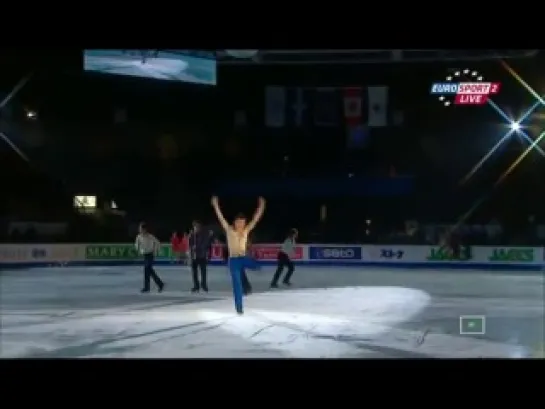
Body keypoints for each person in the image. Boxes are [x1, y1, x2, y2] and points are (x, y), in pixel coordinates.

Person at [211, 196, 265, 315]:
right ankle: (239, 308)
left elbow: (255, 220)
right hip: (234, 261)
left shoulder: (246, 230)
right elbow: (221, 218)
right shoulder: (229, 230)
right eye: (239, 222)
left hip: (244, 259)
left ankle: (257, 267)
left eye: (243, 222)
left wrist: (260, 207)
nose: (241, 224)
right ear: (234, 223)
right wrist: (216, 205)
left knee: (256, 265)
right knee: (237, 285)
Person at [135, 222, 164, 293]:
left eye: (141, 228)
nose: (139, 230)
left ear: (144, 229)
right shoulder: (139, 237)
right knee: (148, 271)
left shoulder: (150, 236)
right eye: (139, 228)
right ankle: (158, 284)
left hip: (150, 255)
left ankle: (149, 286)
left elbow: (157, 242)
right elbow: (136, 245)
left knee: (147, 269)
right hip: (145, 255)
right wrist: (139, 250)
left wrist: (156, 251)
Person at [188, 221, 212, 292]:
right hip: (194, 256)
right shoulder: (192, 235)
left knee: (203, 272)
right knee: (194, 272)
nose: (195, 228)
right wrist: (192, 246)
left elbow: (205, 244)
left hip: (202, 256)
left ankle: (204, 285)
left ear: (199, 227)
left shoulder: (203, 235)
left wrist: (197, 247)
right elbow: (190, 244)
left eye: (196, 227)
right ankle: (196, 286)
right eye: (194, 227)